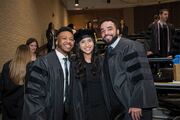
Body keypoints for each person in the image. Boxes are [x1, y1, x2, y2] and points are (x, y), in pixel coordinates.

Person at [99, 18, 158, 120]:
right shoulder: (108, 50)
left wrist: (137, 102)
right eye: (102, 31)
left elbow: (140, 75)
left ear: (118, 31)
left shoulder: (130, 46)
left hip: (132, 105)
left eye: (109, 29)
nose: (106, 33)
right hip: (120, 104)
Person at [22, 27, 75, 120]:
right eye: (64, 38)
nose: (68, 41)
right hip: (48, 113)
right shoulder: (43, 63)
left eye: (71, 39)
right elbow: (34, 97)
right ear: (56, 41)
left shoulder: (72, 63)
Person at [72, 29, 109, 120]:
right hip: (84, 110)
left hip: (102, 108)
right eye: (83, 42)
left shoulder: (103, 61)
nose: (87, 45)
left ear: (94, 42)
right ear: (78, 45)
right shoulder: (73, 64)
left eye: (89, 41)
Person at [0, 44, 31, 120]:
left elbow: (2, 87)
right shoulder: (30, 67)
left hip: (7, 106)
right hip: (22, 108)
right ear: (28, 54)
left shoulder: (7, 65)